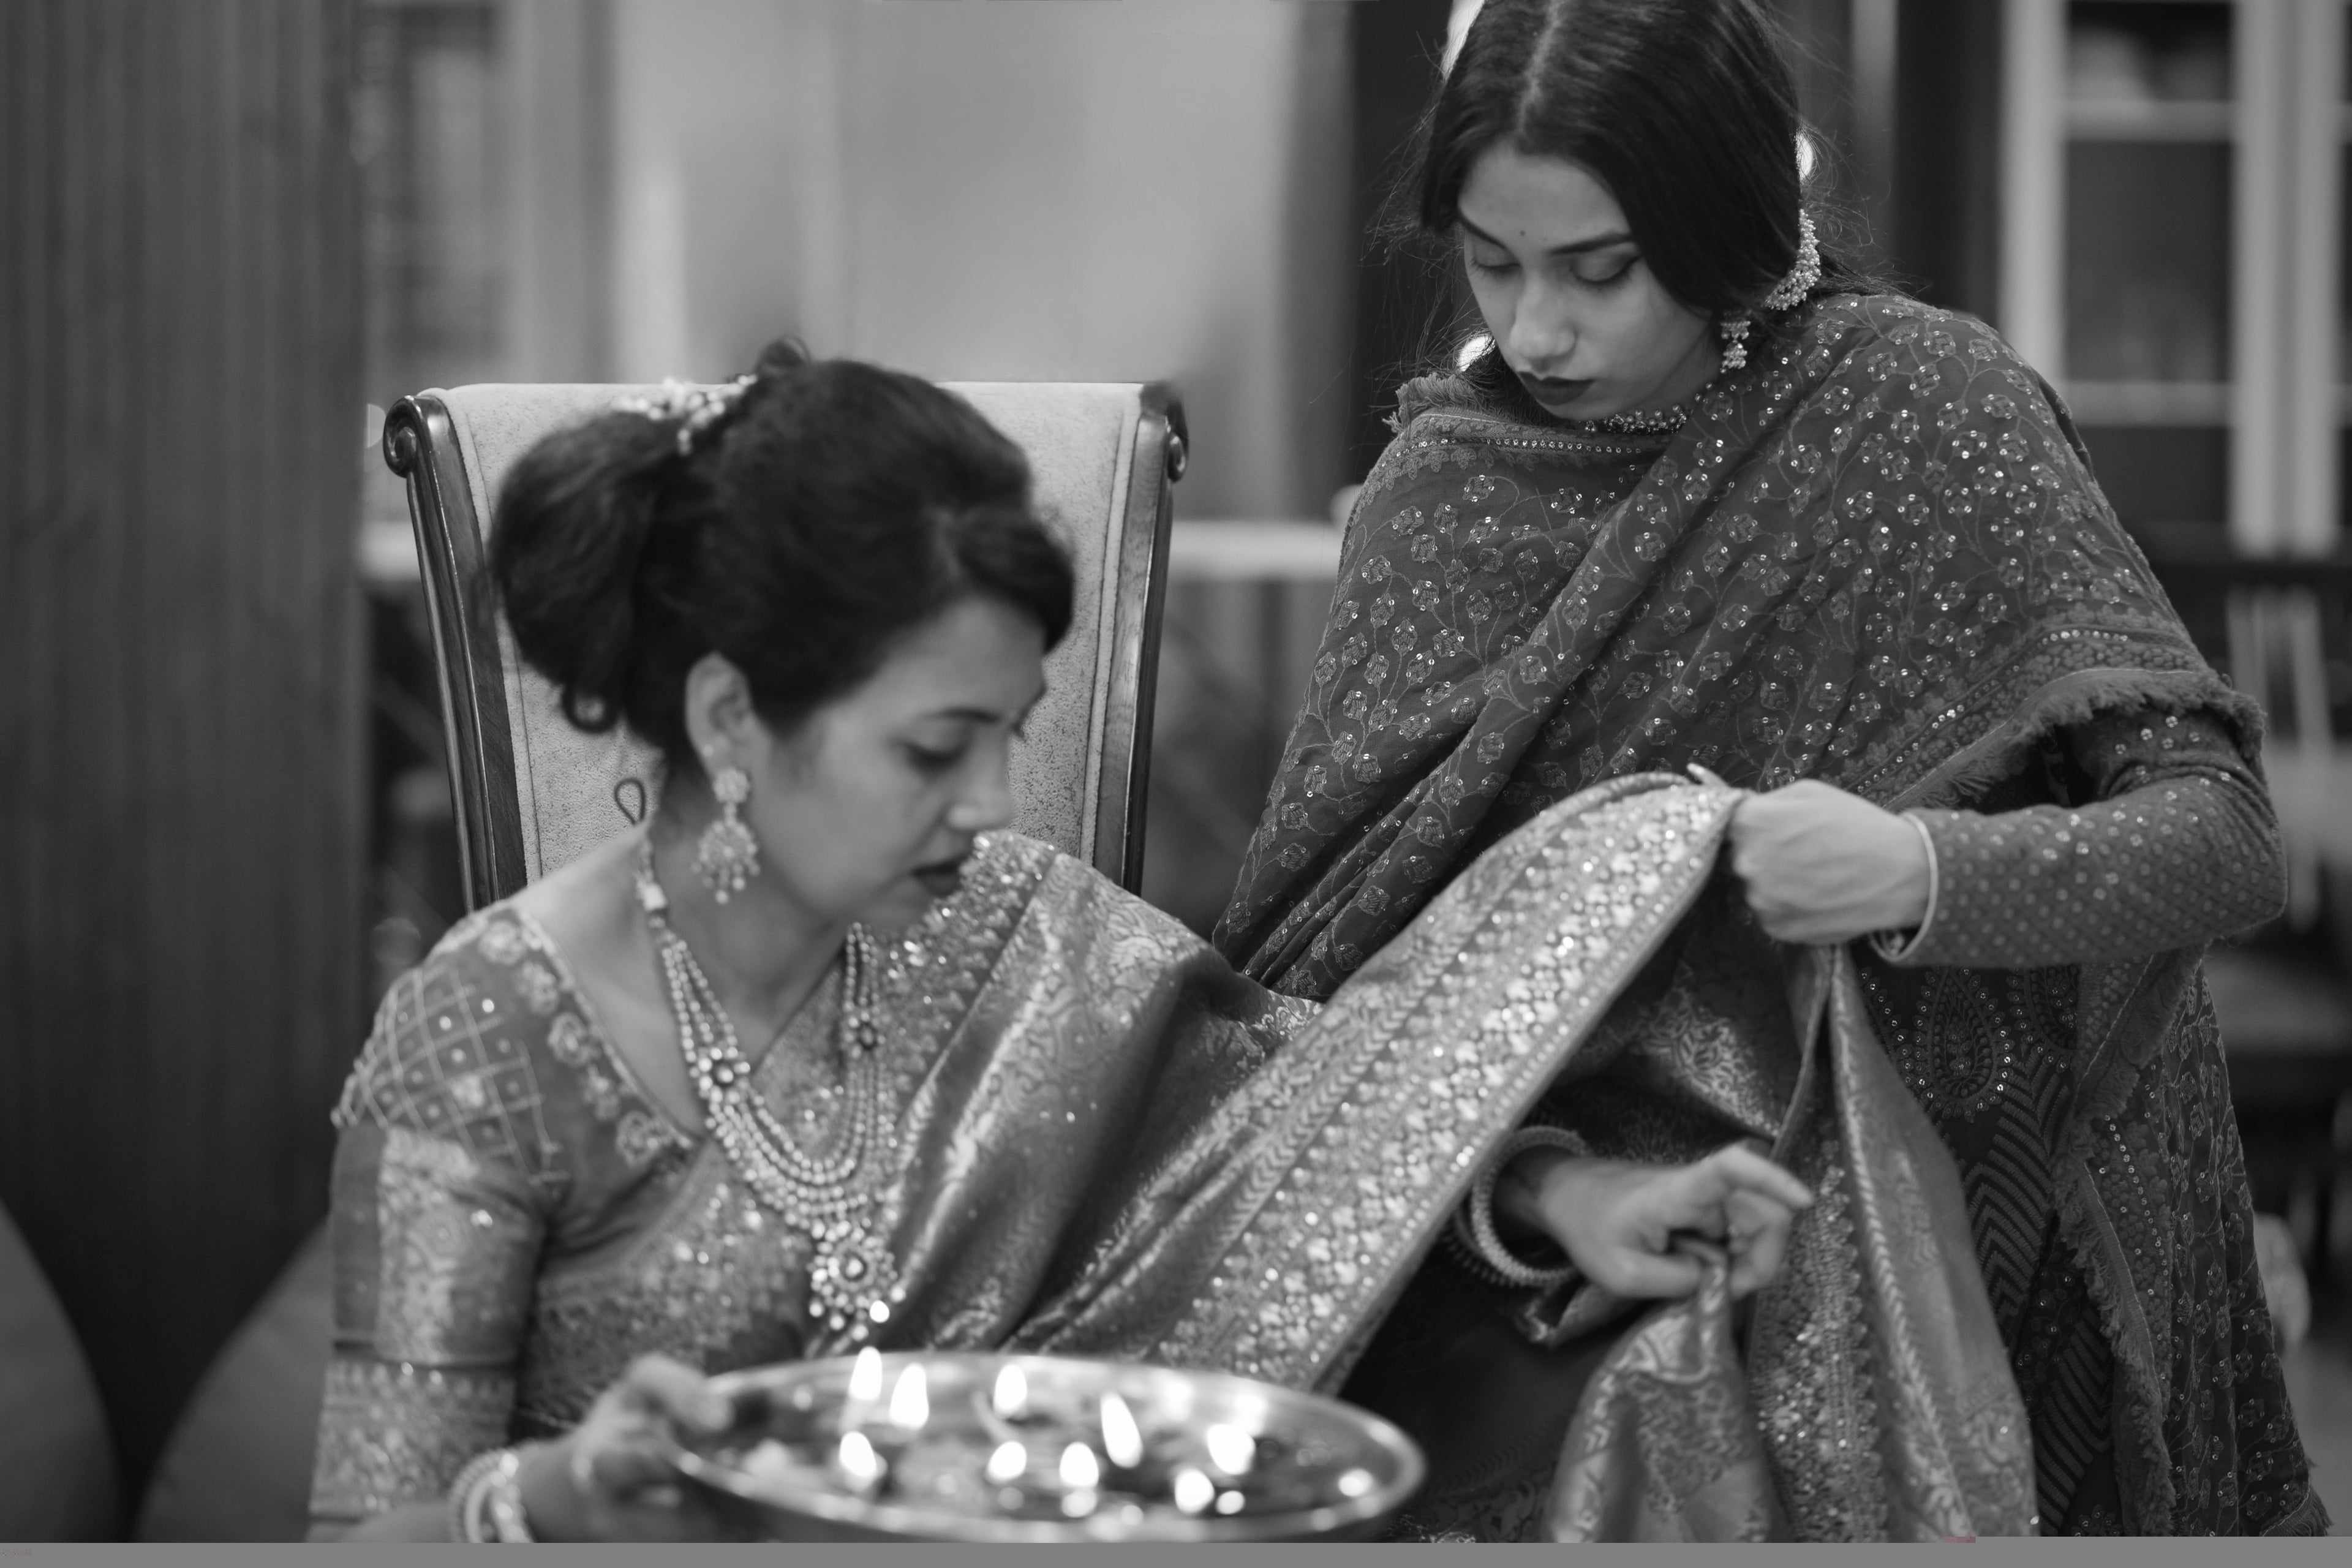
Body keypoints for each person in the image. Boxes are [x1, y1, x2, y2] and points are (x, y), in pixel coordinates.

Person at [312, 348, 1964, 1543]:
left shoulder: (1013, 923)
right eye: (931, 746)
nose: (987, 801)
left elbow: (1301, 1128)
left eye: (1010, 736)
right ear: (734, 715)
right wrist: (566, 1499)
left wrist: (1573, 1200)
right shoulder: (491, 1038)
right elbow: (360, 1540)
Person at [1213, 0, 2326, 1539]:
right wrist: (1542, 1190)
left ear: (1732, 222)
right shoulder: (1443, 499)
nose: (1538, 330)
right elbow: (1333, 1006)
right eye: (1492, 260)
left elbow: (2222, 836)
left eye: (1601, 270)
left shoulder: (1925, 410)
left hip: (2003, 1277)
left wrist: (1926, 872)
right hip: (1588, 1309)